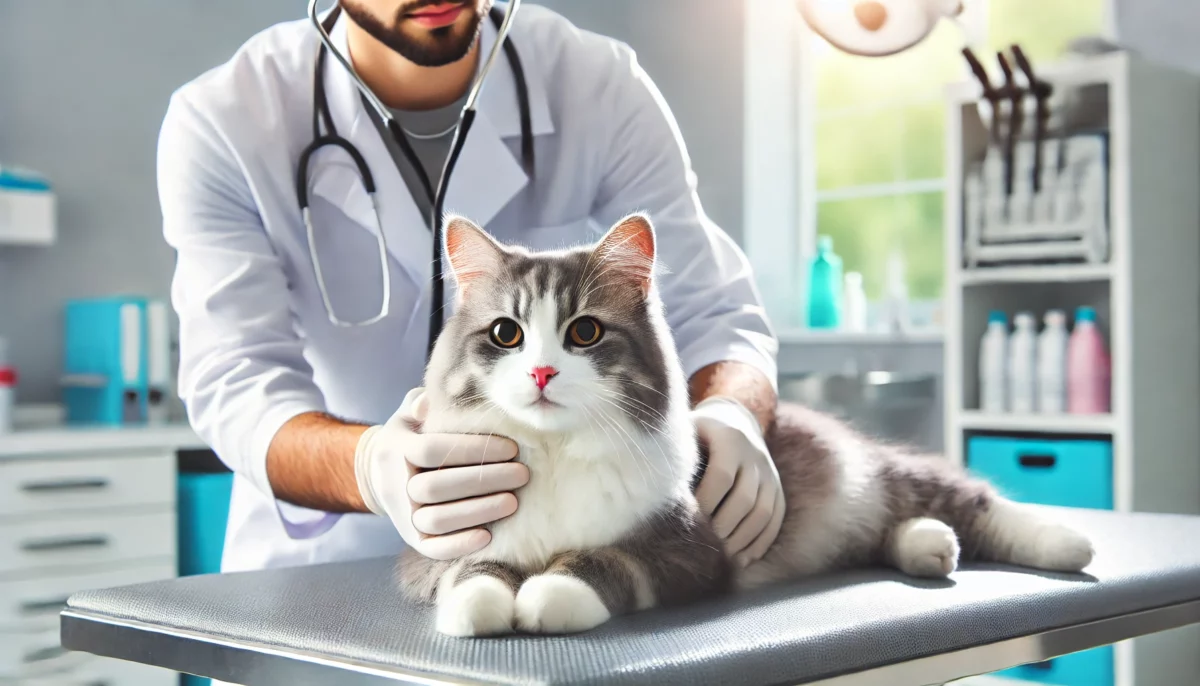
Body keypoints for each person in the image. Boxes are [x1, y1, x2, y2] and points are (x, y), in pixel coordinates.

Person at [160, 0, 784, 576]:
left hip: (561, 559)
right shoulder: (226, 120)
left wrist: (731, 410)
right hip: (321, 573)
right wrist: (371, 468)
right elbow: (236, 381)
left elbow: (715, 314)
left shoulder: (598, 85)